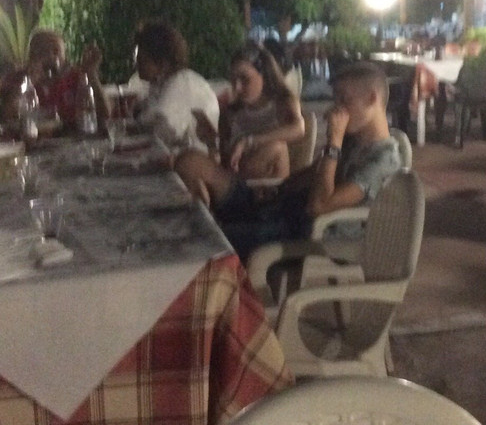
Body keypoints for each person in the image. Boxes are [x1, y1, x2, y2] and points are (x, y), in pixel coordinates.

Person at [176, 61, 402, 261]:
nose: (336, 108)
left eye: (344, 99)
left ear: (372, 98)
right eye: (336, 100)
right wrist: (277, 189)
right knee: (192, 168)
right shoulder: (354, 140)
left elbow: (319, 206)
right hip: (282, 210)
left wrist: (334, 143)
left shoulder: (383, 159)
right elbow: (313, 174)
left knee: (204, 242)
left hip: (308, 234)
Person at [182, 42, 305, 202]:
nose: (237, 88)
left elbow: (298, 128)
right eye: (233, 81)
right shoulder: (230, 113)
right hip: (234, 186)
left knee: (276, 147)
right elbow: (223, 163)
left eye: (245, 80)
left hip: (268, 192)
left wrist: (249, 141)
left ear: (264, 75)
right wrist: (211, 142)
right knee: (187, 161)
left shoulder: (283, 103)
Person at [0, 28, 108, 135]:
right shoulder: (16, 79)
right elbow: (2, 118)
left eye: (56, 51)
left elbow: (104, 116)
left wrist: (92, 75)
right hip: (27, 142)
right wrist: (30, 82)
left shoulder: (76, 78)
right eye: (43, 51)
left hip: (70, 141)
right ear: (31, 55)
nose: (51, 57)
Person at [132, 21, 220, 157]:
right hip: (174, 156)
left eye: (142, 61)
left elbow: (162, 133)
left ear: (162, 63)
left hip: (196, 161)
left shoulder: (181, 83)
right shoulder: (159, 84)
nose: (136, 65)